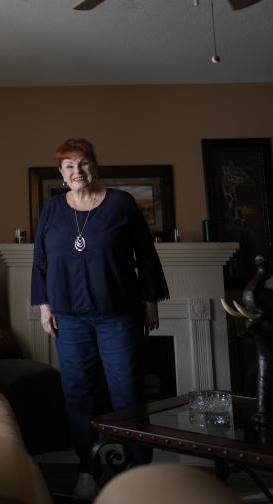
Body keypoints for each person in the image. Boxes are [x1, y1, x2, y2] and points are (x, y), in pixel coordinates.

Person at [31, 138, 169, 488]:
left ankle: (139, 469)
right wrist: (44, 307)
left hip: (118, 315)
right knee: (78, 391)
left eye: (84, 163)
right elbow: (41, 261)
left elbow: (145, 253)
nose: (77, 171)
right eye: (69, 165)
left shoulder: (121, 204)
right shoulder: (52, 209)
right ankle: (87, 466)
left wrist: (149, 301)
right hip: (69, 316)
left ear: (96, 166)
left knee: (127, 390)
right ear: (61, 173)